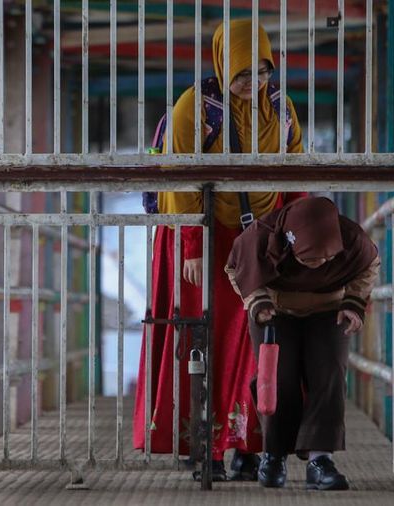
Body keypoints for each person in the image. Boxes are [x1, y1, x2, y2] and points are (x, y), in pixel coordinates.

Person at [133, 19, 306, 482]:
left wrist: (295, 239)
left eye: (264, 71)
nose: (255, 83)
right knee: (204, 340)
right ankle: (202, 447)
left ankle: (248, 446)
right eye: (244, 74)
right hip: (203, 239)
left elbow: (294, 176)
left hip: (260, 241)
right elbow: (183, 177)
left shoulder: (281, 107)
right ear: (222, 66)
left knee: (255, 343)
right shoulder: (197, 106)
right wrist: (191, 243)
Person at [224, 196, 381, 490]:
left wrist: (353, 303)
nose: (316, 266)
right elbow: (236, 269)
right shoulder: (260, 236)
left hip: (329, 310)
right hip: (275, 308)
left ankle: (320, 461)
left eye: (324, 259)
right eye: (308, 259)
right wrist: (256, 300)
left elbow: (369, 266)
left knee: (329, 375)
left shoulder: (353, 239)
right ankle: (274, 455)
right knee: (277, 379)